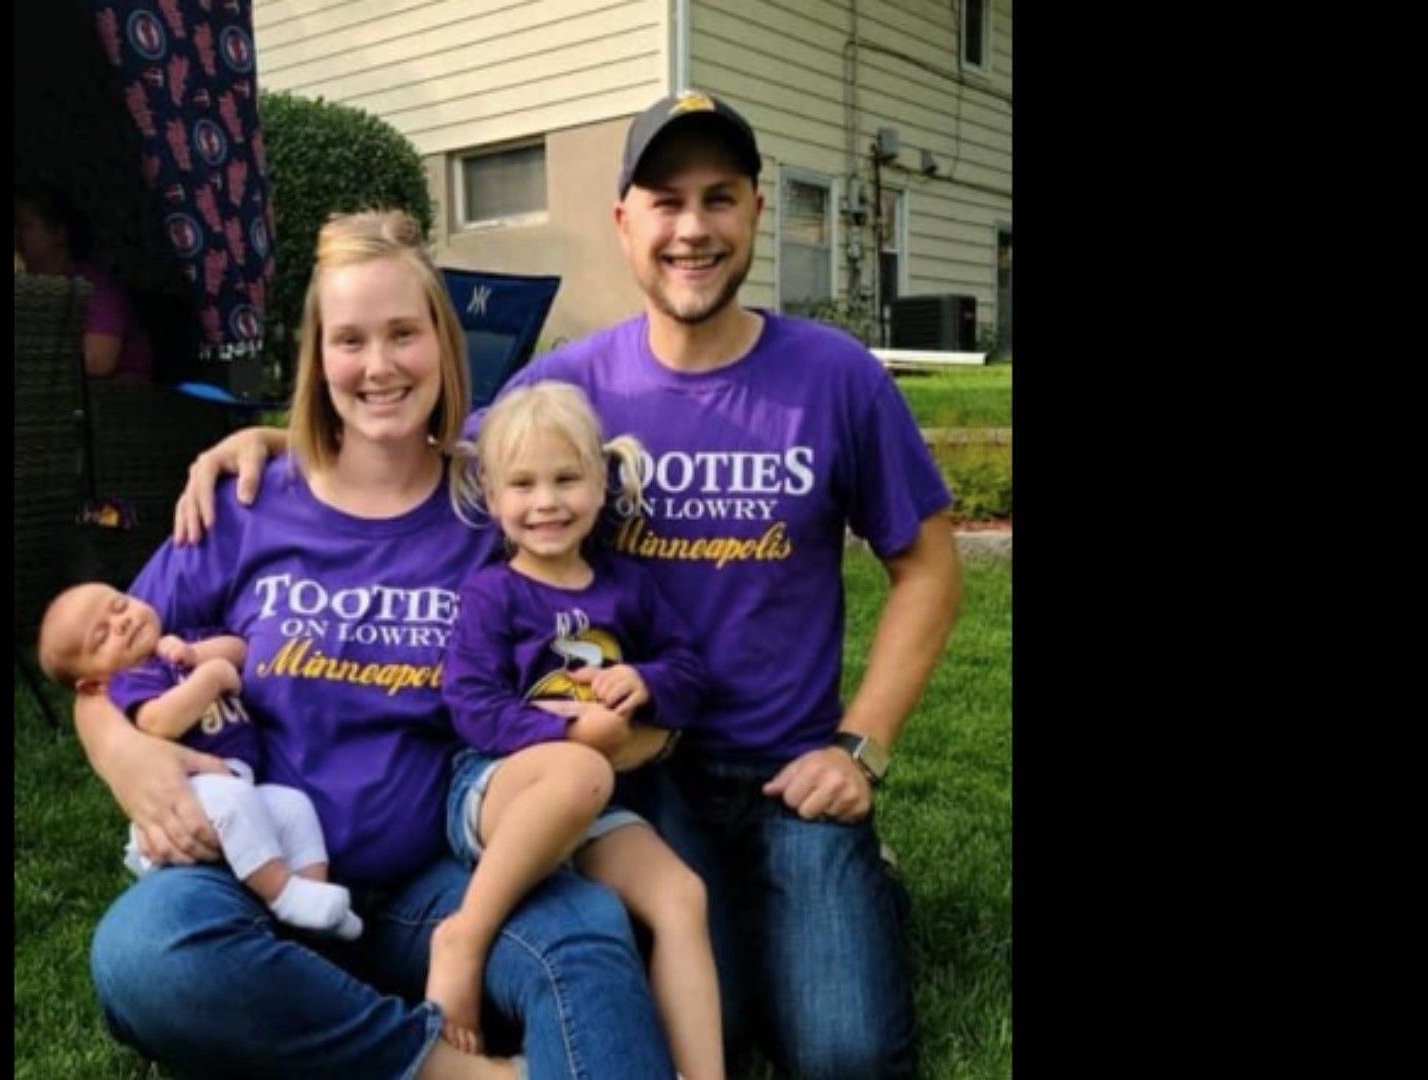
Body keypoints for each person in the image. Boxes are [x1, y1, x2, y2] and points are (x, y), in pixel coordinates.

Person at [172, 92, 965, 1077]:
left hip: (787, 771)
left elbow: (927, 566)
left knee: (841, 1056)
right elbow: (424, 434)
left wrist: (860, 748)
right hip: (637, 771)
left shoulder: (837, 377)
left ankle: (846, 883)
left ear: (757, 210)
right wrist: (283, 443)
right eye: (664, 201)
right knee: (713, 1001)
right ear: (624, 220)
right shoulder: (575, 380)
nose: (692, 228)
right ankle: (784, 917)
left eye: (719, 198)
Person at [73, 209, 679, 1079]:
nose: (381, 365)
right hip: (254, 877)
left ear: (444, 343)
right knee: (148, 954)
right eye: (350, 340)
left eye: (404, 333)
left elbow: (620, 589)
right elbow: (102, 670)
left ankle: (329, 1028)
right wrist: (120, 757)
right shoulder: (245, 500)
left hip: (432, 884)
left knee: (586, 937)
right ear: (318, 359)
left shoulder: (496, 509)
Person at [429, 380, 724, 1078]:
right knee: (585, 770)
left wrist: (646, 682)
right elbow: (471, 703)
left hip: (591, 803)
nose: (546, 502)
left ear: (600, 482)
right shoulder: (494, 592)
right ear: (493, 498)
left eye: (566, 479)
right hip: (494, 788)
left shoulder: (627, 585)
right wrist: (565, 736)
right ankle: (463, 938)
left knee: (683, 895)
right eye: (522, 484)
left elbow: (691, 672)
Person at [37, 582, 362, 939]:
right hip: (191, 790)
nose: (123, 623)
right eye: (102, 637)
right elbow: (159, 721)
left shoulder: (181, 645)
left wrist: (197, 654)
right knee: (233, 802)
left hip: (238, 781)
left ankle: (314, 905)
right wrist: (212, 676)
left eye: (120, 606)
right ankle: (284, 895)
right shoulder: (130, 682)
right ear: (92, 685)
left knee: (294, 807)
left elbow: (241, 648)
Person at [13, 186, 154, 379]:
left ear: (59, 233)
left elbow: (98, 361)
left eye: (24, 225)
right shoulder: (27, 286)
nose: (16, 234)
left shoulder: (94, 288)